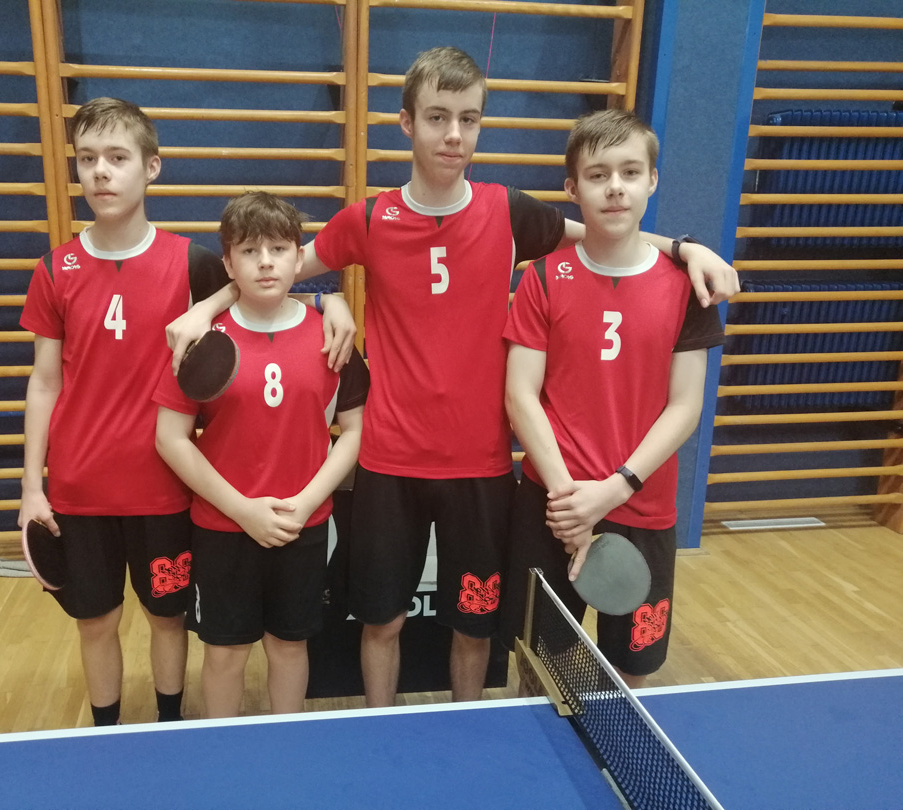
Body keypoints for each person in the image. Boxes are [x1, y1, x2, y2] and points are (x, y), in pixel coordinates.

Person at [167, 47, 738, 707]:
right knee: (382, 622)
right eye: (438, 117)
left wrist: (686, 247)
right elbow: (280, 269)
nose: (454, 135)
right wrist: (246, 305)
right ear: (407, 123)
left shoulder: (509, 212)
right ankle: (381, 724)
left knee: (474, 627)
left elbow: (603, 232)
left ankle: (470, 727)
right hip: (390, 463)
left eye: (469, 119)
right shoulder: (369, 219)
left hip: (481, 466)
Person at [18, 99, 354, 727]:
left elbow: (261, 281)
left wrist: (328, 300)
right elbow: (44, 382)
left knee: (167, 618)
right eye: (87, 159)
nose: (101, 171)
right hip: (79, 485)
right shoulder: (55, 269)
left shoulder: (191, 262)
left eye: (117, 157)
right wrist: (31, 486)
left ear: (151, 168)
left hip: (165, 489)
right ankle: (108, 734)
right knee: (97, 622)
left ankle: (172, 727)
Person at [501, 109, 725, 687]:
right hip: (553, 505)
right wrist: (568, 502)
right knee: (539, 661)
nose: (616, 187)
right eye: (598, 175)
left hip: (642, 506)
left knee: (631, 669)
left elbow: (686, 406)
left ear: (653, 180)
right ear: (573, 189)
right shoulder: (542, 278)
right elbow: (520, 395)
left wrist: (617, 487)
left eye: (630, 172)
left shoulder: (687, 289)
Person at [153, 192, 369, 718]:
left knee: (289, 646)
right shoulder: (201, 341)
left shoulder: (333, 337)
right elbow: (170, 438)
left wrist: (306, 502)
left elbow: (355, 431)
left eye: (278, 248)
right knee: (225, 652)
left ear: (299, 257)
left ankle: (286, 747)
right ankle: (223, 750)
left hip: (302, 525)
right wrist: (243, 510)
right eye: (249, 251)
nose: (266, 262)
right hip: (223, 527)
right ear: (228, 264)